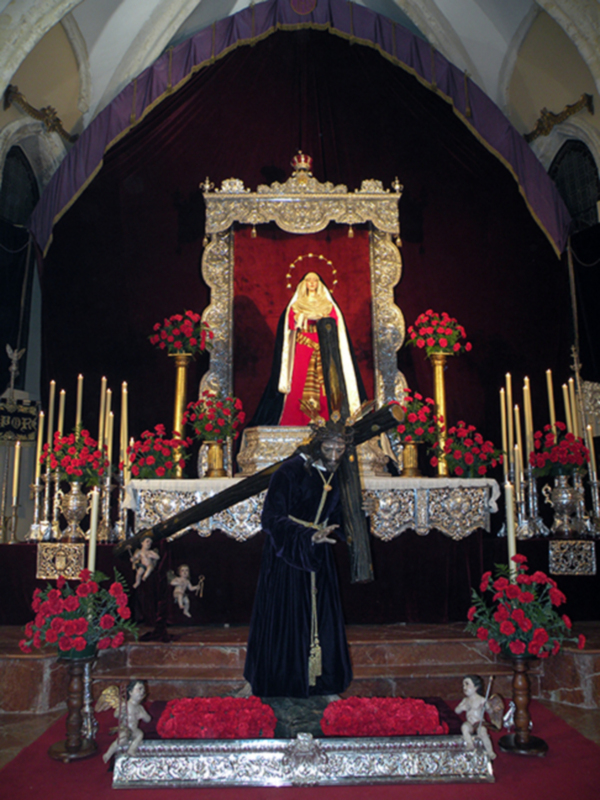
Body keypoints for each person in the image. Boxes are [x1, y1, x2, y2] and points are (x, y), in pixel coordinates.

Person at [243, 422, 353, 697]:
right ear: (317, 444)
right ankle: (283, 681)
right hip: (288, 558)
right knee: (289, 617)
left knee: (322, 618)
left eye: (341, 448)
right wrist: (307, 537)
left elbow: (337, 517)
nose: (335, 453)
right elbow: (270, 518)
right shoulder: (290, 471)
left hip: (319, 557)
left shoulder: (336, 474)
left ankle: (322, 681)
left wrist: (359, 513)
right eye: (330, 447)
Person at [249, 272, 366, 427]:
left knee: (325, 382)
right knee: (299, 380)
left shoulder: (328, 305)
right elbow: (290, 324)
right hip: (303, 347)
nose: (312, 283)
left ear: (319, 283)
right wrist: (299, 318)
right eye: (308, 280)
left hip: (323, 346)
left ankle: (327, 419)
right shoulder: (297, 304)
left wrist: (322, 319)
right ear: (303, 283)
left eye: (315, 280)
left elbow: (335, 325)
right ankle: (295, 420)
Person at [102, 679, 151, 762]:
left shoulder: (140, 708)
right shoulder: (125, 705)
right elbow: (115, 715)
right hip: (125, 728)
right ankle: (108, 754)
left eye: (143, 690)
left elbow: (148, 719)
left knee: (140, 734)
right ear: (130, 692)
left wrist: (143, 716)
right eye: (139, 689)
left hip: (134, 730)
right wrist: (120, 712)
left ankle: (132, 749)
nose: (142, 692)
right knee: (120, 741)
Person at [455, 674, 496, 760]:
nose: (464, 687)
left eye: (467, 684)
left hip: (479, 723)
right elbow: (456, 711)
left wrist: (487, 706)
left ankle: (490, 751)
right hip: (470, 723)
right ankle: (470, 744)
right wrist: (462, 708)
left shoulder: (481, 699)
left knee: (483, 732)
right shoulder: (465, 700)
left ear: (476, 687)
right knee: (464, 727)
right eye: (463, 685)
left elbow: (490, 711)